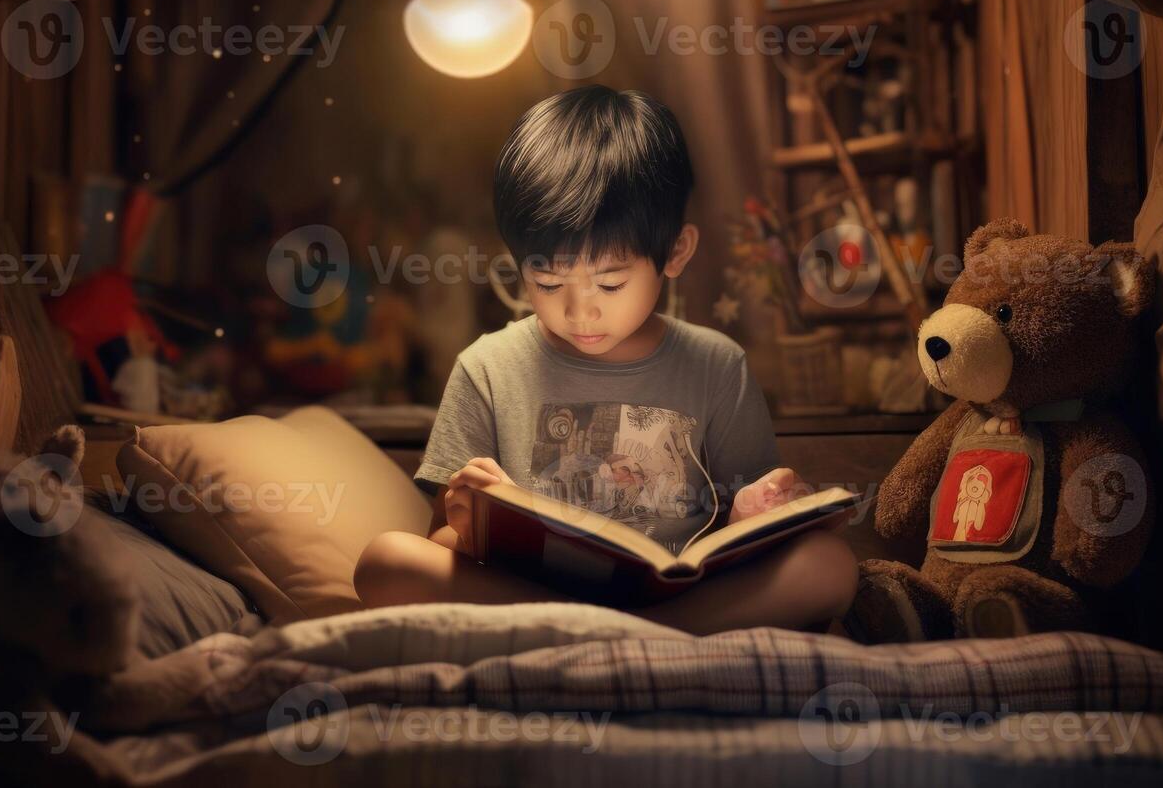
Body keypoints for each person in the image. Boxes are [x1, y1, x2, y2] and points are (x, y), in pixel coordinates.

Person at [355, 86, 858, 635]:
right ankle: (651, 637)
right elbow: (440, 545)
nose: (578, 311)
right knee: (388, 562)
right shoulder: (487, 368)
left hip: (677, 593)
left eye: (611, 283)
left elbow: (750, 535)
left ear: (675, 253)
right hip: (534, 596)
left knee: (828, 567)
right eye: (547, 282)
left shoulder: (716, 364)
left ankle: (623, 632)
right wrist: (466, 524)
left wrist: (753, 512)